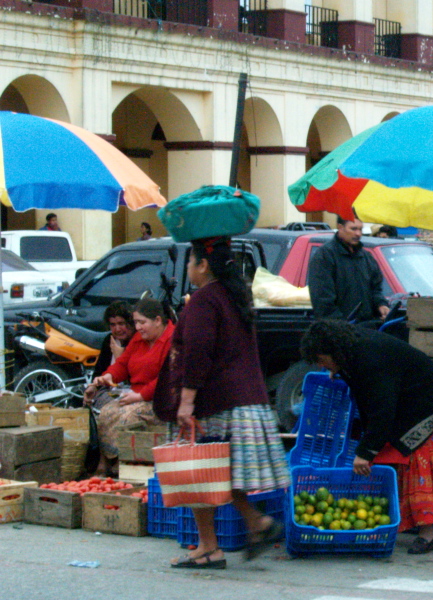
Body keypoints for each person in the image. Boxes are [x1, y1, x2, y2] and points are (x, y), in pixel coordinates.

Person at [158, 236, 289, 570]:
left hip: (218, 401)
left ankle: (209, 547)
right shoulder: (234, 296)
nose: (188, 268)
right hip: (246, 398)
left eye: (190, 262)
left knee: (201, 472)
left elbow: (198, 351)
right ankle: (252, 525)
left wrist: (186, 402)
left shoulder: (204, 300)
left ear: (203, 265)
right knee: (222, 474)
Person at [300, 319, 433, 555]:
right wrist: (336, 371)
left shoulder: (371, 358)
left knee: (414, 468)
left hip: (419, 403)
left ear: (333, 351)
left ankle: (427, 534)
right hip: (399, 397)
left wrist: (365, 451)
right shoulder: (350, 352)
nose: (322, 365)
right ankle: (398, 522)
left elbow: (382, 409)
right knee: (387, 459)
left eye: (322, 360)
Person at [83, 298, 174, 476]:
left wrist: (140, 397)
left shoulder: (173, 339)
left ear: (157, 320)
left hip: (161, 401)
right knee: (107, 412)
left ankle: (121, 464)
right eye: (136, 323)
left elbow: (168, 377)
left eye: (142, 322)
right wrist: (107, 377)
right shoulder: (139, 339)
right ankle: (111, 464)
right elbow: (123, 364)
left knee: (126, 416)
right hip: (136, 396)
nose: (138, 328)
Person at [307, 215, 389, 322]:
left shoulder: (366, 257)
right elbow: (323, 301)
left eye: (360, 229)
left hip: (367, 327)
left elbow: (375, 290)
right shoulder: (325, 256)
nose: (358, 233)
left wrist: (381, 305)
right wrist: (341, 326)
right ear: (340, 227)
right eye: (353, 229)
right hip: (340, 330)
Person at [92, 301, 136, 378]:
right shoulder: (109, 340)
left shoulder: (139, 341)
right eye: (113, 325)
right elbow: (99, 372)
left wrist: (120, 357)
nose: (117, 329)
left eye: (121, 324)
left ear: (131, 323)